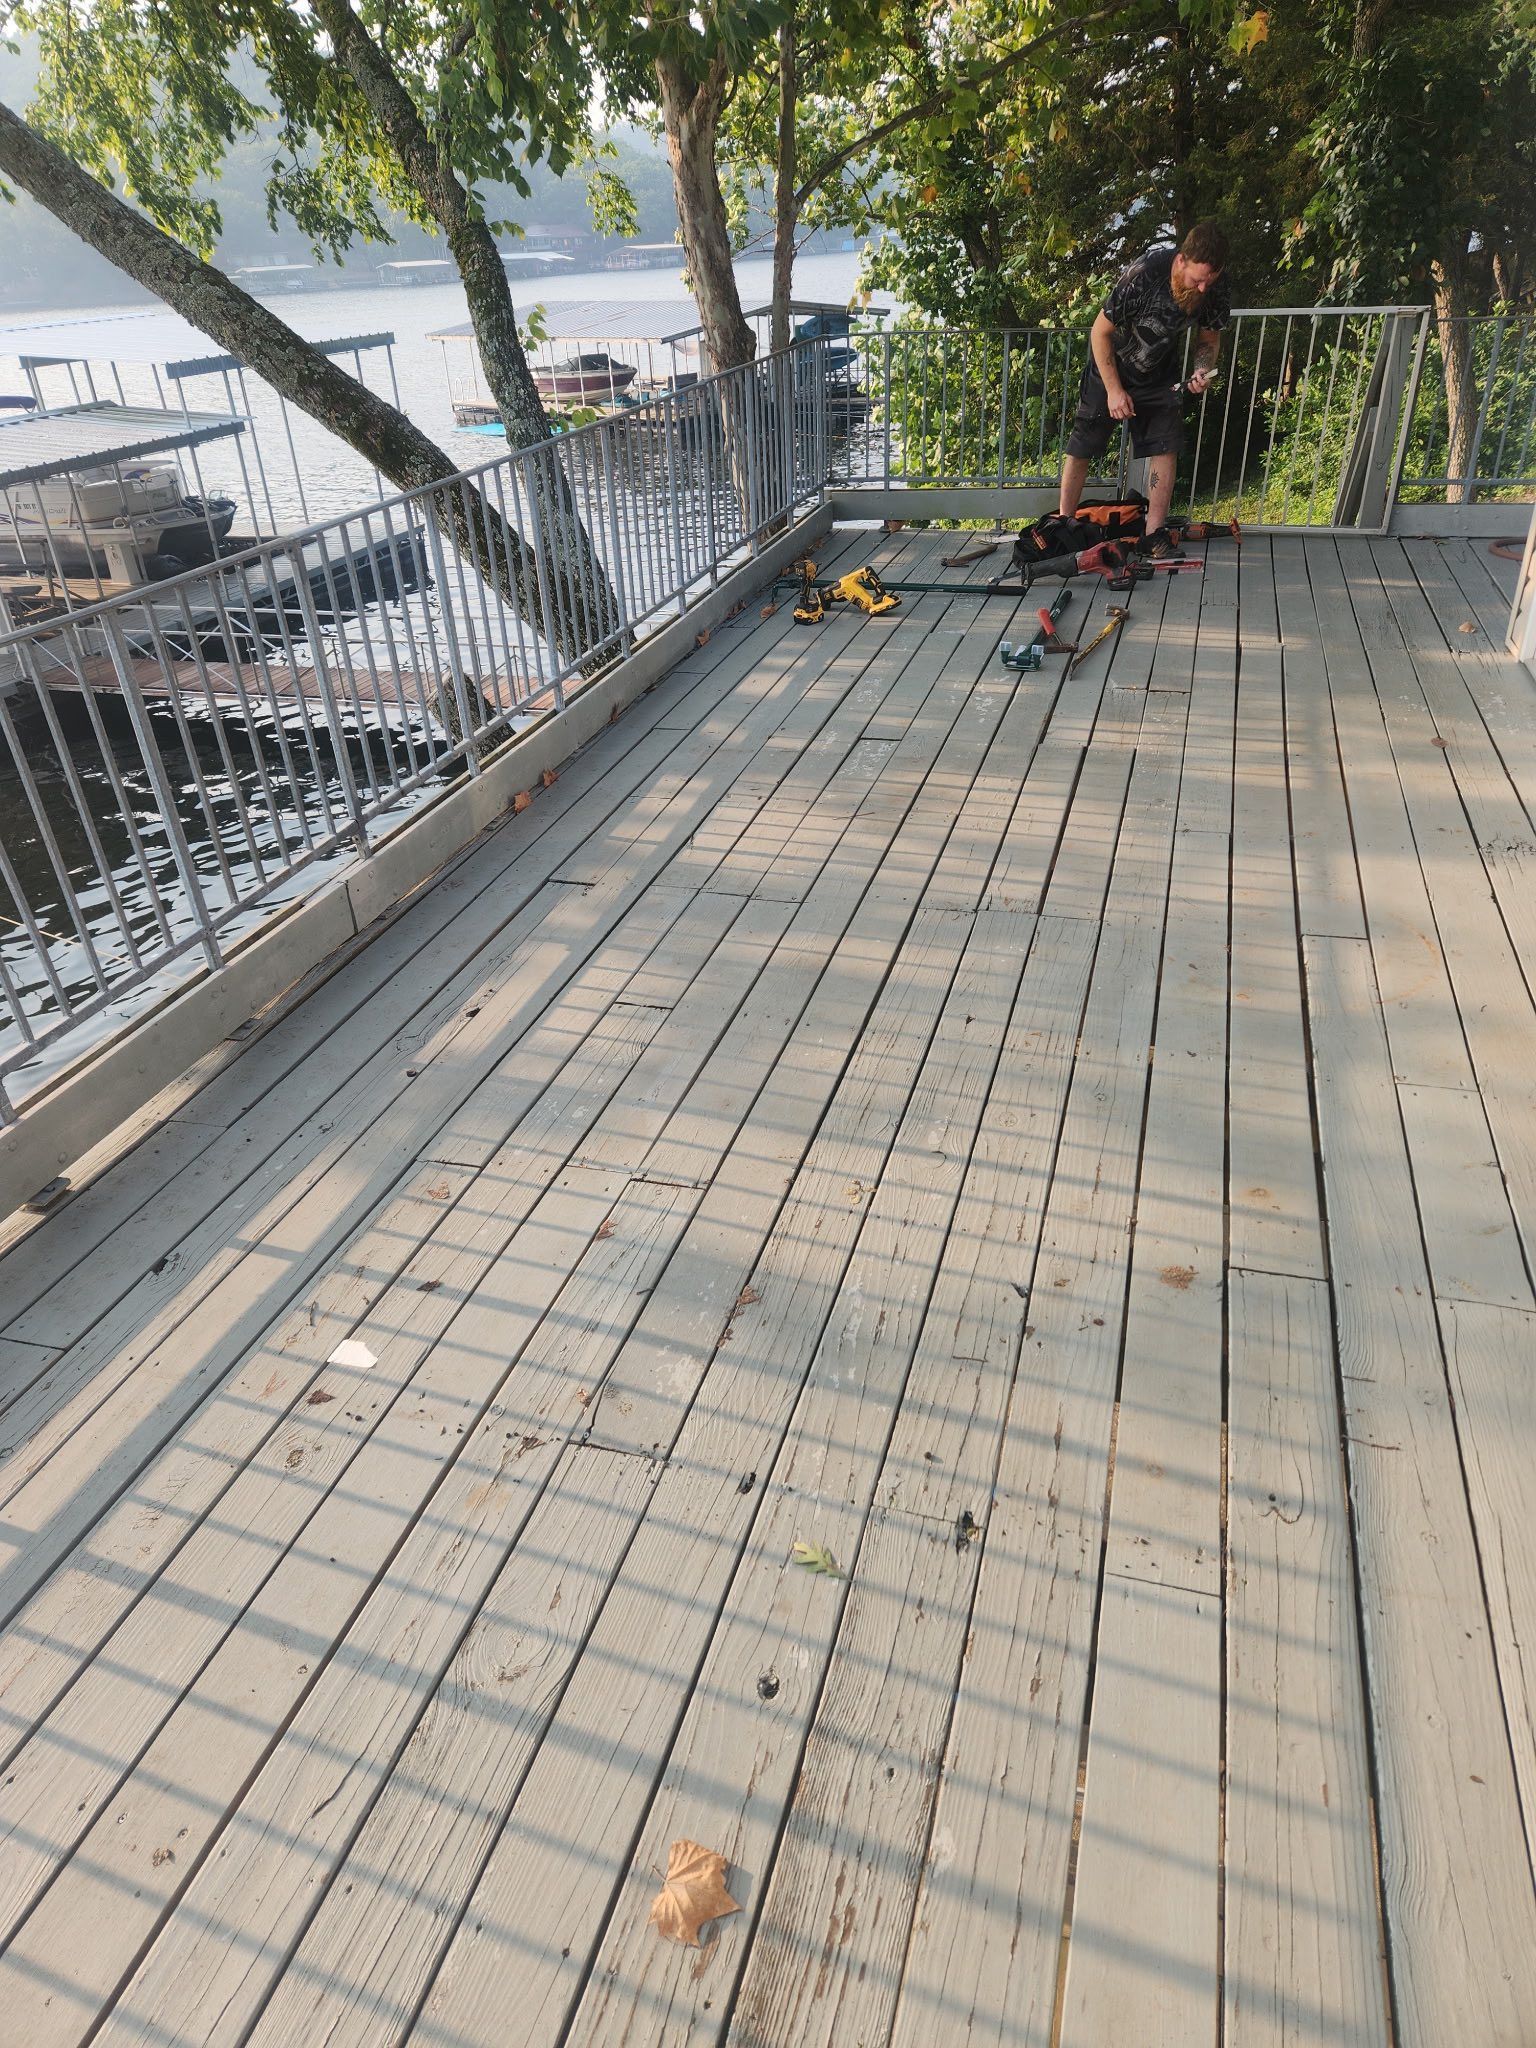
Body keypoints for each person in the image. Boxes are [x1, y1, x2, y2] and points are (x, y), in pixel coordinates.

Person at [1058, 221, 1232, 555]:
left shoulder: (1216, 287)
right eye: (1197, 279)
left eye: (1208, 281)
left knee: (1166, 446)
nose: (1201, 289)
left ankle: (1154, 534)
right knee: (1083, 443)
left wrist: (1200, 371)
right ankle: (1063, 525)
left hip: (1159, 373)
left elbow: (1209, 338)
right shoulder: (1144, 274)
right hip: (1111, 364)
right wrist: (1113, 390)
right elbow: (1099, 332)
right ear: (1180, 261)